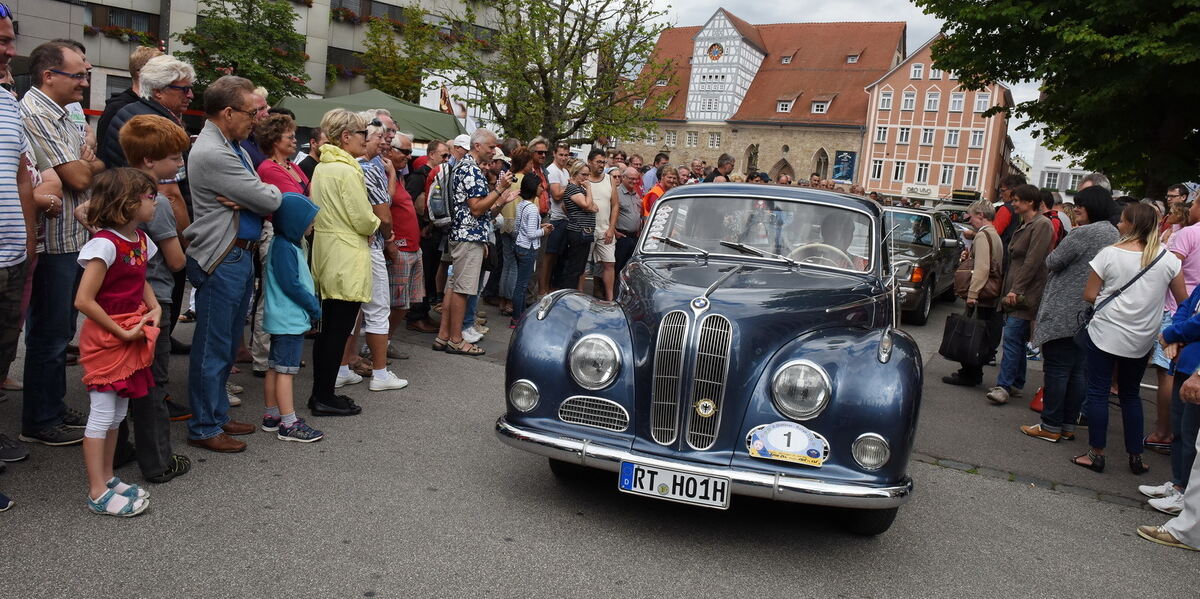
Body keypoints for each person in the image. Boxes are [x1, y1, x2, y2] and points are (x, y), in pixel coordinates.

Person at [182, 76, 282, 453]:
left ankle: (216, 415)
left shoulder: (230, 145)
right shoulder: (214, 151)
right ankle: (204, 426)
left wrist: (254, 196)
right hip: (223, 256)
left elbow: (259, 193)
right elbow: (269, 198)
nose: (256, 119)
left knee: (224, 346)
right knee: (213, 346)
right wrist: (259, 196)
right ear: (228, 112)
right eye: (251, 113)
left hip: (237, 253)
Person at [20, 41, 104, 447]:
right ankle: (39, 420)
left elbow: (94, 164)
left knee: (61, 330)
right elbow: (80, 177)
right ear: (49, 76)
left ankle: (50, 406)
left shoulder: (64, 113)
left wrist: (85, 161)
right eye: (78, 76)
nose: (84, 83)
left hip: (73, 238)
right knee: (49, 334)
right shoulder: (35, 113)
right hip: (53, 243)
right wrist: (85, 161)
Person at [1073, 202, 1186, 474]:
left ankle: (1096, 453)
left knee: (1098, 392)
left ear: (1132, 225)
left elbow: (1089, 294)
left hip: (1105, 331)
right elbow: (1183, 301)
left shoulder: (1109, 254)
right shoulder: (1168, 259)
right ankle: (1135, 456)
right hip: (1142, 337)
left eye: (1122, 220)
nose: (1118, 224)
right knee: (1131, 395)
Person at [74, 168, 161, 517]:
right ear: (129, 202)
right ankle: (97, 490)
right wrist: (122, 331)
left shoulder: (140, 239)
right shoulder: (105, 244)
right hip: (107, 338)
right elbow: (83, 300)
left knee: (118, 412)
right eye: (150, 197)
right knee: (102, 412)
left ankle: (108, 477)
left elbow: (140, 278)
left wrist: (154, 306)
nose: (156, 202)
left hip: (129, 332)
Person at [114, 115, 192, 483]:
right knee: (152, 384)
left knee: (120, 379)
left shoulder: (112, 191)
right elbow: (175, 260)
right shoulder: (153, 201)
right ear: (149, 160)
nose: (179, 164)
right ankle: (159, 462)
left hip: (117, 302)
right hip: (154, 300)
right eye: (174, 158)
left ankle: (117, 450)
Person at [1019, 187, 1119, 442]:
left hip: (1065, 310)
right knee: (1077, 372)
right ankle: (1067, 425)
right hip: (1089, 313)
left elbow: (1053, 261)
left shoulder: (1083, 233)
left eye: (1080, 205)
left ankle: (1050, 425)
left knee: (1057, 369)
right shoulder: (1113, 233)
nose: (1076, 210)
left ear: (1093, 207)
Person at [307, 109, 379, 414]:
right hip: (345, 253)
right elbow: (362, 217)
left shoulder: (323, 167)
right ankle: (324, 397)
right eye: (363, 133)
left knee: (328, 331)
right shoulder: (346, 170)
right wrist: (374, 225)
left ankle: (321, 393)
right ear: (346, 136)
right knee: (338, 331)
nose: (366, 138)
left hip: (328, 250)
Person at [0, 11, 37, 506]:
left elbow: (23, 176)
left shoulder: (8, 102)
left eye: (10, 41)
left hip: (11, 257)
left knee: (3, 353)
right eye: (1, 41)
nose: (10, 51)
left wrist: (28, 243)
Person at [435, 129, 513, 355]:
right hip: (468, 237)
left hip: (461, 235)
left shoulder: (464, 166)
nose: (494, 151)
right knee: (462, 290)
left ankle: (443, 336)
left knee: (453, 288)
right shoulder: (471, 169)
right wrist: (499, 189)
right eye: (491, 147)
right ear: (477, 146)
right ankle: (456, 339)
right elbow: (477, 208)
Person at [261, 192, 324, 442]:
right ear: (295, 222)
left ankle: (272, 415)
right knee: (286, 371)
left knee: (274, 367)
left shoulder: (283, 244)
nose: (312, 225)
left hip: (280, 318)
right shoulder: (286, 247)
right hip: (289, 319)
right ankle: (288, 424)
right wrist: (313, 307)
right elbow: (292, 284)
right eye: (309, 221)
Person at [352, 112, 407, 392]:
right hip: (369, 244)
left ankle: (342, 368)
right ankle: (380, 374)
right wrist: (388, 238)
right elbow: (384, 213)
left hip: (351, 245)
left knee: (351, 312)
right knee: (377, 309)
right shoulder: (368, 167)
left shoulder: (342, 165)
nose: (385, 142)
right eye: (380, 137)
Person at [986, 184, 1053, 405]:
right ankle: (1016, 382)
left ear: (1030, 202)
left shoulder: (1041, 225)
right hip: (1017, 290)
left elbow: (1033, 261)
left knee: (1012, 338)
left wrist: (1017, 289)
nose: (1013, 204)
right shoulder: (1027, 224)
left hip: (1025, 293)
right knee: (1017, 338)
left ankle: (1004, 386)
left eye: (1016, 200)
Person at [944, 200, 1005, 387]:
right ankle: (972, 372)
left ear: (981, 215)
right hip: (990, 293)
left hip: (982, 293)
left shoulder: (982, 236)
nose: (969, 221)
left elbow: (982, 268)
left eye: (971, 217)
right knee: (979, 332)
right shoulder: (994, 234)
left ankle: (970, 373)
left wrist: (972, 293)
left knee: (972, 333)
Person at [385, 132, 425, 346]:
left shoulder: (399, 174)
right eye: (406, 151)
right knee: (397, 303)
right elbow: (382, 208)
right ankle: (376, 347)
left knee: (406, 303)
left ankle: (384, 343)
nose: (409, 156)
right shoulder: (385, 174)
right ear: (390, 151)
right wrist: (389, 243)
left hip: (412, 248)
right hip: (399, 248)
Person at [95, 46, 162, 158]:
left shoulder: (154, 105)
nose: (165, 75)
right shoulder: (117, 108)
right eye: (159, 69)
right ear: (141, 72)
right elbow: (106, 153)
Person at [511, 173, 551, 327]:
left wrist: (539, 226)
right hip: (528, 248)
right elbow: (531, 234)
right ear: (534, 188)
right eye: (540, 186)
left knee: (521, 283)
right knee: (522, 285)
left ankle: (520, 315)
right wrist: (544, 231)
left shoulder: (522, 205)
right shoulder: (533, 209)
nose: (542, 189)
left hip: (519, 245)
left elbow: (520, 227)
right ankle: (517, 318)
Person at [558, 159, 598, 290]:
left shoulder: (580, 189)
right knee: (574, 267)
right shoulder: (572, 188)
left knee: (580, 267)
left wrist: (589, 204)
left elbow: (595, 207)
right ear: (575, 173)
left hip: (585, 232)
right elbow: (587, 205)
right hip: (578, 231)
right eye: (583, 174)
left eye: (588, 175)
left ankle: (571, 292)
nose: (586, 178)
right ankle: (567, 293)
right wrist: (589, 189)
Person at [538, 142, 572, 294]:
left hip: (563, 218)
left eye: (566, 155)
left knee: (555, 257)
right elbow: (557, 195)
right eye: (561, 155)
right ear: (554, 154)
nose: (564, 158)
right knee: (548, 256)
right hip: (554, 218)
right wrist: (571, 185)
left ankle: (548, 288)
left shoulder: (565, 172)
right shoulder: (552, 170)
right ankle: (542, 289)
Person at [587, 149, 619, 300]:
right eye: (598, 162)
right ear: (590, 162)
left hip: (605, 230)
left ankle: (610, 298)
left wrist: (611, 228)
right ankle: (580, 296)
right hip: (587, 230)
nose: (601, 165)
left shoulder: (609, 179)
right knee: (583, 265)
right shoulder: (584, 179)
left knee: (609, 263)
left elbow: (615, 205)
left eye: (603, 162)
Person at [613, 166, 643, 291]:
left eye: (636, 179)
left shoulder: (636, 194)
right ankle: (613, 292)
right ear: (623, 178)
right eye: (631, 178)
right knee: (618, 267)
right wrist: (614, 231)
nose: (634, 181)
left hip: (634, 237)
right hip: (622, 236)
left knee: (629, 269)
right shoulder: (616, 193)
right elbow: (609, 213)